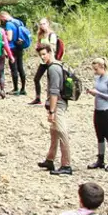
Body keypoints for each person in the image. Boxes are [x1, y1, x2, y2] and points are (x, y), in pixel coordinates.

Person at [37, 46, 73, 175]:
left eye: (44, 54)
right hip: (57, 104)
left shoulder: (53, 68)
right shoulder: (56, 66)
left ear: (51, 52)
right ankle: (50, 159)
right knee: (54, 132)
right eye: (41, 55)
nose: (42, 57)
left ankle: (66, 165)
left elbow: (54, 92)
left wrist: (52, 111)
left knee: (62, 133)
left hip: (58, 105)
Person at [89, 58, 108, 170]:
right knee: (99, 135)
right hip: (98, 110)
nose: (95, 71)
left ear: (102, 67)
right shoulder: (98, 78)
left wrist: (98, 93)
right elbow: (98, 93)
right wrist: (93, 93)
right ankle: (100, 159)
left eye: (96, 69)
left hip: (107, 111)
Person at [30, 19, 63, 104]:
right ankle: (38, 98)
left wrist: (43, 47)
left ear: (48, 24)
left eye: (44, 24)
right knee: (36, 78)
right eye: (41, 24)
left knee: (51, 80)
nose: (42, 26)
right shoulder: (40, 35)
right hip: (43, 60)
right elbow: (38, 46)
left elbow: (53, 48)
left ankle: (51, 99)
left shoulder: (52, 35)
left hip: (51, 60)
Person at [3, 10, 32, 95]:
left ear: (4, 17)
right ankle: (23, 89)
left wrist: (4, 35)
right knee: (21, 68)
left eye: (2, 19)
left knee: (14, 68)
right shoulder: (19, 21)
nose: (2, 21)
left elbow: (10, 38)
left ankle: (15, 89)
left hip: (12, 48)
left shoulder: (9, 24)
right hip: (20, 46)